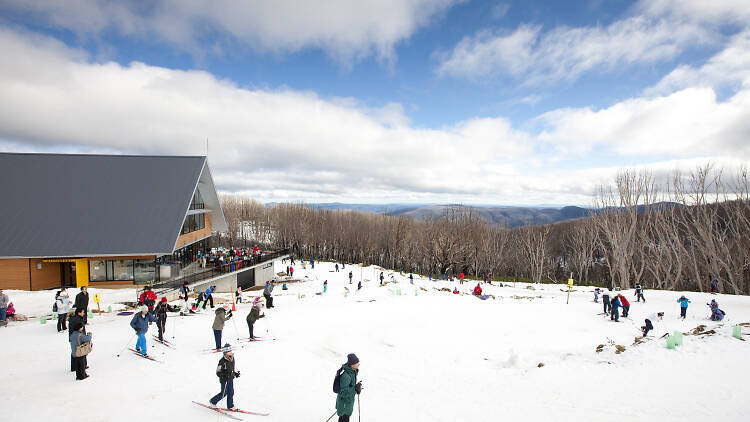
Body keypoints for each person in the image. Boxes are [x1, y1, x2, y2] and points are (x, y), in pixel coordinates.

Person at [209, 344, 240, 410]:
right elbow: (218, 372)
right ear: (225, 353)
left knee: (231, 392)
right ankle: (213, 401)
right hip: (224, 380)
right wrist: (223, 375)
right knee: (224, 393)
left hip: (230, 378)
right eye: (229, 351)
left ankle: (230, 405)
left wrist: (235, 373)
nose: (231, 353)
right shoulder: (222, 361)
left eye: (231, 351)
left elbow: (232, 369)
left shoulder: (232, 358)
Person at [335, 353, 362, 422]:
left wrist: (356, 387)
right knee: (344, 419)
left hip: (347, 402)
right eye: (357, 363)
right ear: (352, 365)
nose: (359, 364)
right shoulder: (346, 376)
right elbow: (343, 393)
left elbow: (349, 386)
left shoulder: (352, 372)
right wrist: (355, 389)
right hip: (344, 403)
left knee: (344, 418)